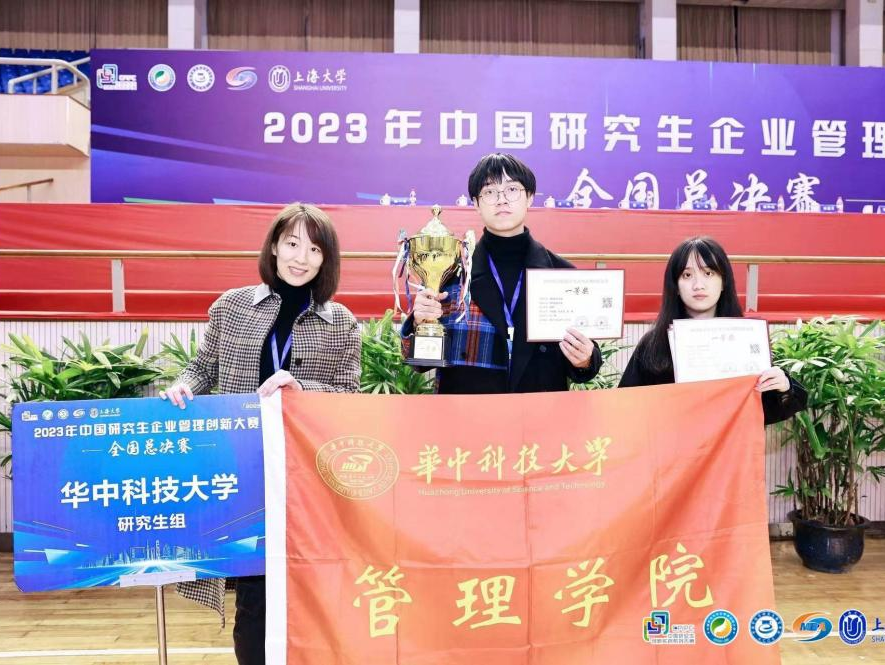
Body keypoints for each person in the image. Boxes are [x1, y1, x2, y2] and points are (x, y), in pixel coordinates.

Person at [160, 202, 361, 665]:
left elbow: (349, 394)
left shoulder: (341, 322)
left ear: (327, 260)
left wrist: (301, 386)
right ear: (273, 247)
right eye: (292, 243)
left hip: (307, 478)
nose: (301, 258)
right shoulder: (232, 307)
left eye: (315, 249)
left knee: (310, 588)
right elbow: (203, 367)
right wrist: (184, 385)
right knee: (255, 593)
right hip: (245, 469)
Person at [403, 152, 602, 393]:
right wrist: (420, 322)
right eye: (489, 192)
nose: (502, 200)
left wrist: (585, 359)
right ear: (476, 203)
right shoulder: (451, 273)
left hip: (540, 411)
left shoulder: (562, 274)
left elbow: (585, 366)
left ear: (530, 198)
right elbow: (421, 363)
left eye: (512, 189)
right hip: (466, 412)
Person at [618, 235, 806, 424]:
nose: (698, 285)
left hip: (732, 442)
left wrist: (783, 385)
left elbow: (772, 410)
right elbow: (624, 407)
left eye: (708, 273)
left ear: (724, 281)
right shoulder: (654, 343)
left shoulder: (747, 338)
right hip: (672, 442)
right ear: (675, 286)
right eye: (687, 275)